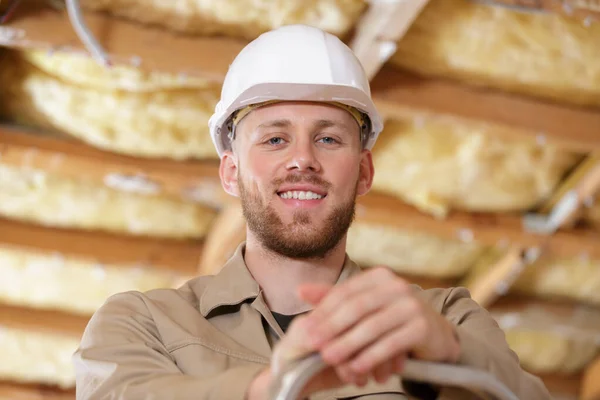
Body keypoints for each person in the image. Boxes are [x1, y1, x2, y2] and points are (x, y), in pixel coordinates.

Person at [73, 24, 552, 399]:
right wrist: (274, 389)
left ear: (363, 172)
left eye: (328, 138)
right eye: (275, 138)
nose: (302, 159)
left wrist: (450, 353)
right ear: (230, 172)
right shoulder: (145, 323)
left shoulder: (446, 318)